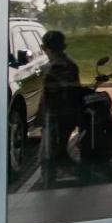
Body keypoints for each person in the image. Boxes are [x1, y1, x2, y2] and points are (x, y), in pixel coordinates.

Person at [40, 30, 81, 165]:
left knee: (50, 156)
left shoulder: (54, 67)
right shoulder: (70, 65)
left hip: (56, 115)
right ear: (64, 46)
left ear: (44, 48)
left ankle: (74, 172)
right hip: (66, 114)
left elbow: (51, 95)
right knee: (59, 152)